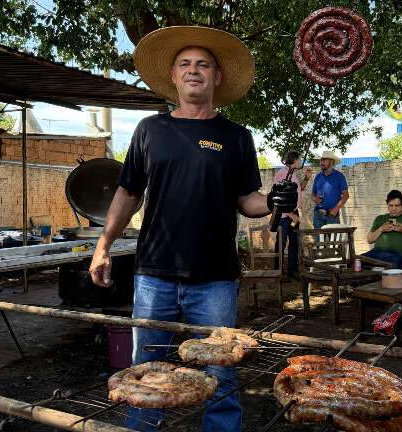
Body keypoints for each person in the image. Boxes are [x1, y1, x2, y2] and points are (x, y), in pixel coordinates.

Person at [88, 26, 297, 432]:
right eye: (185, 64)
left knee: (220, 373)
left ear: (217, 76)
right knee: (146, 371)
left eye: (203, 64)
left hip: (215, 278)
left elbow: (247, 199)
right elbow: (128, 193)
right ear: (173, 75)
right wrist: (103, 245)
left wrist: (274, 200)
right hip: (154, 275)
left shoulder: (236, 136)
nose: (193, 70)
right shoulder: (150, 130)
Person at [273, 150, 313, 277]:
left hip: (293, 214)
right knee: (281, 243)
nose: (301, 162)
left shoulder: (292, 174)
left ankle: (292, 270)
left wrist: (306, 178)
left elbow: (299, 189)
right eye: (299, 159)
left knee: (294, 241)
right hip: (284, 215)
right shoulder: (282, 173)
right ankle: (277, 272)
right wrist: (291, 214)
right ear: (295, 160)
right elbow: (278, 196)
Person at [364, 190, 402, 269]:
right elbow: (369, 240)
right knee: (356, 262)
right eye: (391, 205)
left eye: (397, 205)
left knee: (393, 265)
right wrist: (381, 229)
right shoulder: (380, 218)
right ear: (387, 204)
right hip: (376, 253)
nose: (394, 209)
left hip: (398, 255)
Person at [311, 150, 349, 228]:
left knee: (333, 236)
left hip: (332, 215)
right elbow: (312, 194)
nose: (321, 162)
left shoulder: (339, 176)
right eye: (321, 160)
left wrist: (336, 209)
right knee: (318, 236)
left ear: (331, 161)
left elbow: (346, 196)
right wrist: (315, 199)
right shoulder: (318, 176)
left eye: (324, 160)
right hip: (318, 215)